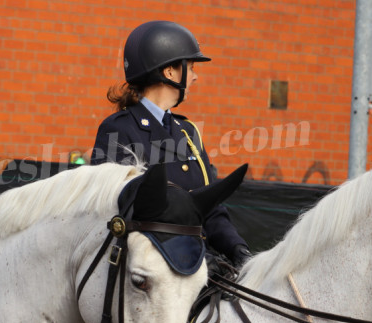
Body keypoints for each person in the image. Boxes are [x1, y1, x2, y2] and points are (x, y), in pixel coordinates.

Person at [90, 20, 251, 267]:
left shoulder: (188, 131)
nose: (195, 77)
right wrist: (197, 257)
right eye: (191, 67)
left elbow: (209, 208)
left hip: (200, 261)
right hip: (153, 271)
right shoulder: (120, 129)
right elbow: (118, 213)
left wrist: (238, 249)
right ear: (169, 72)